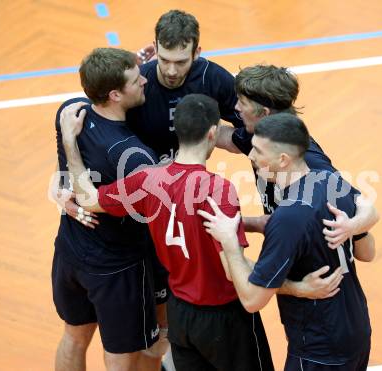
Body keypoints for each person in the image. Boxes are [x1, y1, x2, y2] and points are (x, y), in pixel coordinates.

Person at [59, 94, 275, 371]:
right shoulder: (217, 189)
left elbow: (88, 198)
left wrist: (70, 143)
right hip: (225, 317)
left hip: (180, 315)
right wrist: (295, 285)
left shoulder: (148, 179)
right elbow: (234, 270)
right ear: (212, 133)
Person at [198, 113, 375, 371]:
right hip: (355, 329)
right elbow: (367, 251)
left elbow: (252, 299)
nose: (251, 157)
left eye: (258, 151)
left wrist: (229, 243)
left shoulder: (288, 218)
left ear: (282, 159)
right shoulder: (331, 181)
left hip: (318, 348)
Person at [51, 47, 168, 371]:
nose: (144, 80)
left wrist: (70, 144)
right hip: (118, 268)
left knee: (73, 338)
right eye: (136, 78)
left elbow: (71, 180)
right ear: (115, 94)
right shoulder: (133, 155)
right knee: (121, 357)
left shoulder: (70, 113)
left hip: (71, 252)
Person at [217, 64, 379, 243]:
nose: (236, 107)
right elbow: (222, 137)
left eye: (242, 102)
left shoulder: (309, 160)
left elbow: (368, 211)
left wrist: (352, 228)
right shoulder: (259, 137)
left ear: (264, 113)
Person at [126, 9, 243, 162]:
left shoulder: (213, 78)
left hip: (191, 177)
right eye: (165, 60)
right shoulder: (139, 82)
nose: (171, 71)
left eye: (181, 62)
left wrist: (213, 134)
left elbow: (251, 129)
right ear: (155, 48)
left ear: (196, 53)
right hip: (143, 176)